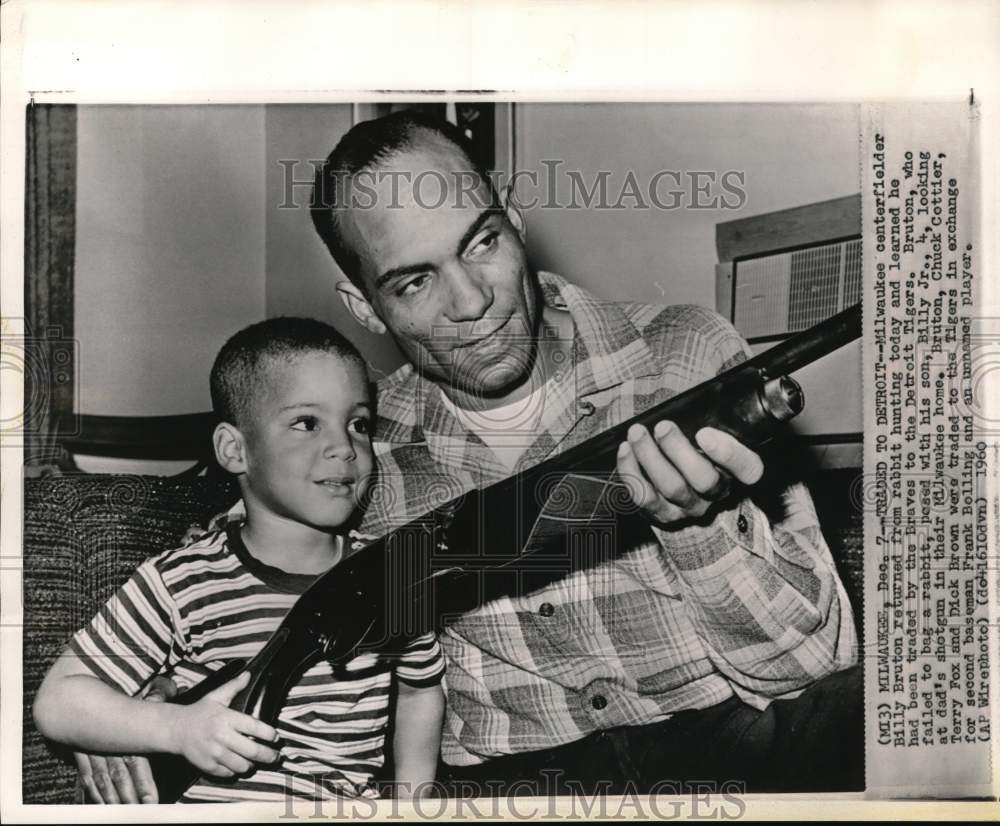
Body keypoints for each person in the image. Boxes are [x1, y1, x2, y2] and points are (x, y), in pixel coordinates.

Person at [75, 110, 862, 801]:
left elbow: (816, 665)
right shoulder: (359, 454)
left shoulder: (687, 355)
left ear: (514, 220)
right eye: (415, 282)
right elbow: (247, 578)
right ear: (367, 310)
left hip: (734, 750)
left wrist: (700, 528)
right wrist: (138, 714)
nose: (472, 300)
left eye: (481, 243)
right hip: (511, 787)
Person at [35, 317, 445, 803]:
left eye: (358, 423)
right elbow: (59, 701)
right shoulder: (182, 580)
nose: (345, 447)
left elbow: (421, 691)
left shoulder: (391, 579)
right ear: (235, 450)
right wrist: (177, 728)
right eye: (306, 423)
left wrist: (412, 805)